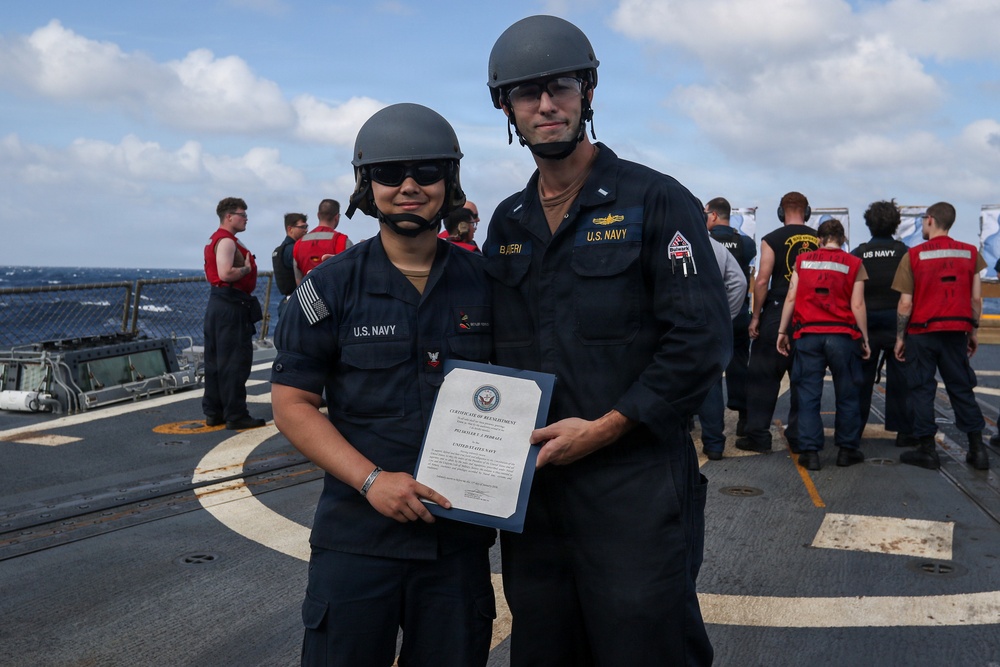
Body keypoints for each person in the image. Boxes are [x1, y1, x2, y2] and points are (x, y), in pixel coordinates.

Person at [484, 15, 730, 665]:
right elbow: (488, 351)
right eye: (526, 93)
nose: (545, 105)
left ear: (587, 92)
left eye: (560, 87)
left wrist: (605, 427)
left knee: (645, 642)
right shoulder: (508, 222)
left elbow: (700, 341)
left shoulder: (656, 201)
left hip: (635, 484)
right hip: (537, 494)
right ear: (506, 107)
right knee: (542, 643)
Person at [271, 103, 496, 666]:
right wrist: (372, 481)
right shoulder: (331, 287)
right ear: (367, 186)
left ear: (450, 181)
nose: (410, 187)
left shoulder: (489, 285)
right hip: (357, 539)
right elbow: (293, 403)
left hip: (457, 544)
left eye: (426, 172)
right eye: (391, 174)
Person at [893, 202, 989, 470]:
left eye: (924, 219)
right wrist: (973, 331)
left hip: (922, 333)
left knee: (922, 389)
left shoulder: (913, 255)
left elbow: (905, 303)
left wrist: (900, 338)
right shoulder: (971, 254)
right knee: (961, 388)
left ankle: (927, 450)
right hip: (957, 331)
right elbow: (976, 299)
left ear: (931, 220)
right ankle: (977, 450)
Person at [777, 219, 870, 471]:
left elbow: (791, 297)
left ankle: (810, 453)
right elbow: (858, 305)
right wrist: (864, 337)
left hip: (808, 335)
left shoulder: (802, 261)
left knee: (807, 394)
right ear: (843, 238)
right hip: (842, 336)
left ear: (819, 239)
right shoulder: (854, 264)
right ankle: (847, 450)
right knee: (848, 394)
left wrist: (782, 330)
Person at [737, 191, 819, 453]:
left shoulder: (771, 239)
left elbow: (762, 280)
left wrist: (756, 316)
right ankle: (798, 437)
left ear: (781, 213)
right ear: (807, 213)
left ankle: (758, 436)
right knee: (803, 379)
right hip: (810, 315)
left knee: (763, 376)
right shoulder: (820, 240)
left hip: (777, 309)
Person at [202, 197, 266, 430]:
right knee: (235, 362)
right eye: (242, 214)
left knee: (215, 361)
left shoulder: (215, 240)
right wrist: (247, 269)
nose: (246, 218)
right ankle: (236, 414)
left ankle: (214, 411)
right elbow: (226, 273)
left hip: (218, 304)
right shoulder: (227, 241)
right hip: (230, 305)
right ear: (229, 216)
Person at [851, 200, 912, 445]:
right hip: (897, 321)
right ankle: (905, 432)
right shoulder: (905, 253)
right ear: (896, 224)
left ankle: (854, 430)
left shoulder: (858, 253)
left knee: (861, 380)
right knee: (902, 379)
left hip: (866, 323)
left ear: (868, 224)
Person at [705, 196, 756, 435]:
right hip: (738, 314)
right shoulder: (746, 243)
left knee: (707, 369)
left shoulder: (706, 241)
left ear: (713, 215)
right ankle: (744, 419)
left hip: (712, 315)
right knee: (739, 366)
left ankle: (705, 424)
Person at [697, 233, 749, 460]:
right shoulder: (718, 248)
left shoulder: (666, 241)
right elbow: (740, 283)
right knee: (710, 382)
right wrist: (725, 316)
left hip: (674, 323)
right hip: (709, 324)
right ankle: (714, 443)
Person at [293, 199, 352, 285]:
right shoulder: (343, 241)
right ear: (336, 217)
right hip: (336, 296)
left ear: (318, 215)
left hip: (309, 294)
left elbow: (298, 279)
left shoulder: (298, 244)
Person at [271, 212, 309, 318]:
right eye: (302, 227)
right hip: (297, 302)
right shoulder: (293, 250)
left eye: (306, 227)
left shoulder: (278, 251)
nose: (306, 230)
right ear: (290, 229)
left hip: (286, 302)